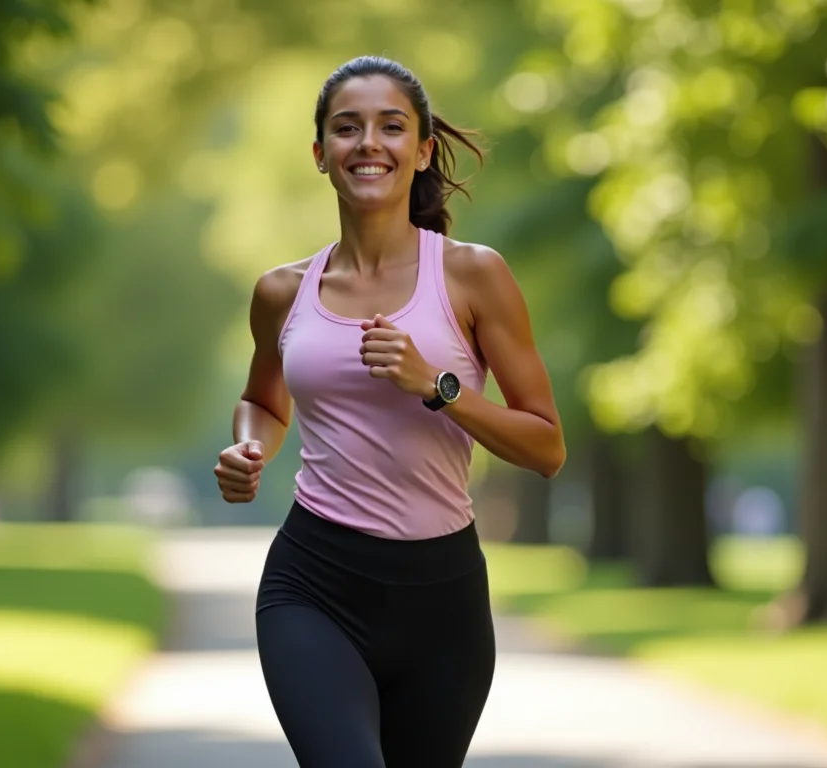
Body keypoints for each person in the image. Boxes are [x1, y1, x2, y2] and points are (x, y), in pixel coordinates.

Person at [213, 54, 565, 767]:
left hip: (443, 603)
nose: (368, 143)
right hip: (314, 585)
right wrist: (250, 447)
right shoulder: (282, 291)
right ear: (320, 154)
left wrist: (438, 386)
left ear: (423, 149)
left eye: (391, 127)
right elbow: (262, 399)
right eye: (347, 128)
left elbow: (546, 447)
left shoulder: (472, 276)